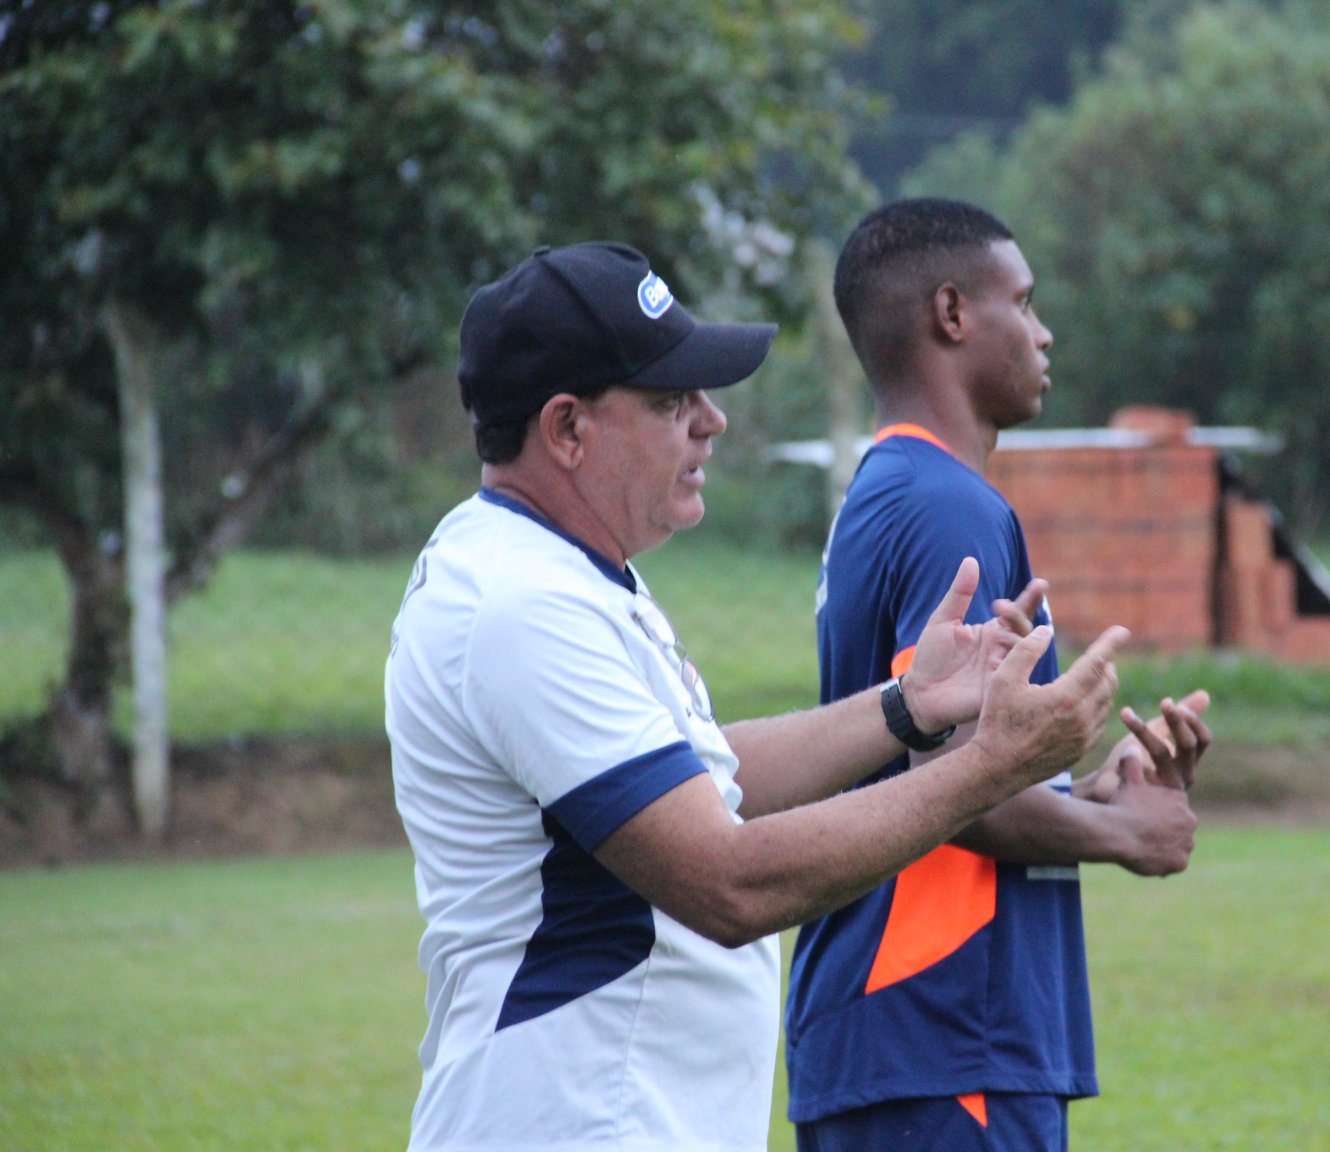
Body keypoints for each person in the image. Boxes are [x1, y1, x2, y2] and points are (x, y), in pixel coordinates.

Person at [383, 241, 1176, 1152]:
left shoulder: (570, 579)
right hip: (578, 1120)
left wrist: (904, 707)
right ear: (566, 429)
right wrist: (991, 768)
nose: (711, 422)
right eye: (670, 401)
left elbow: (708, 777)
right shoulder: (522, 607)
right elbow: (727, 881)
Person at [783, 199, 1213, 1151]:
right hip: (942, 1022)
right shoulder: (948, 506)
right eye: (1023, 301)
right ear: (952, 315)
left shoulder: (892, 489)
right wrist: (1122, 833)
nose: (1044, 331)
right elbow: (952, 793)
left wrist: (1077, 787)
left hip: (903, 1033)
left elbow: (940, 754)